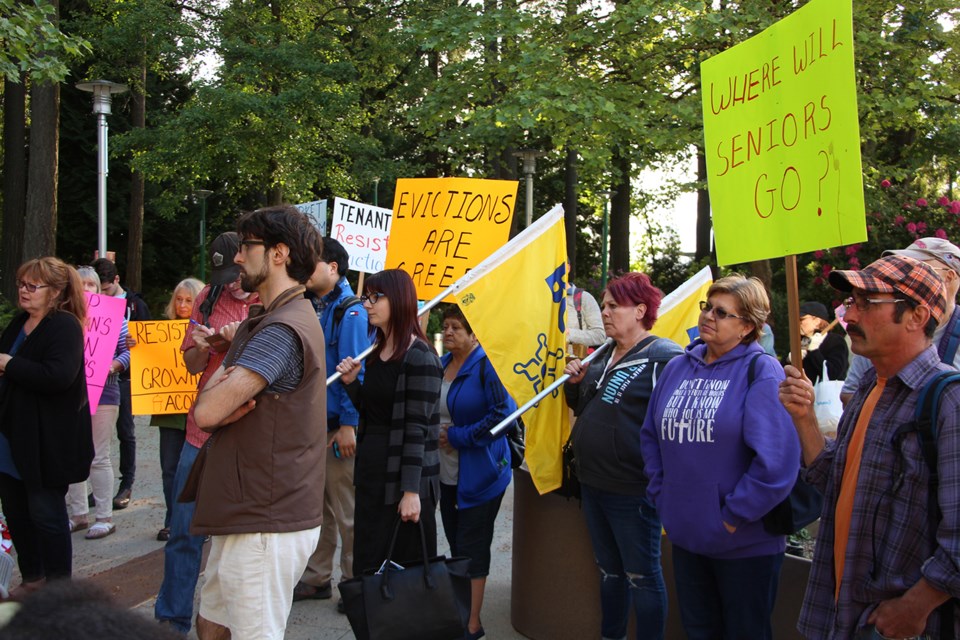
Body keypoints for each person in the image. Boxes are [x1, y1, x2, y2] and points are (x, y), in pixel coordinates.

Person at [779, 255, 960, 639]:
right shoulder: (868, 389)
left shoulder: (948, 400)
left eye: (866, 304)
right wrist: (804, 418)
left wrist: (914, 607)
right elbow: (835, 483)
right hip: (844, 614)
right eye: (851, 304)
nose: (849, 317)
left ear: (916, 315)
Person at [190, 205, 326, 640]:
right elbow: (211, 403)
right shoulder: (266, 321)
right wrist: (220, 393)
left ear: (278, 254)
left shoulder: (281, 330)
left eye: (246, 246)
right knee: (212, 625)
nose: (237, 256)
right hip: (246, 508)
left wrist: (218, 394)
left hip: (266, 518)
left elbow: (206, 412)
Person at [640, 274, 800, 640]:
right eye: (707, 307)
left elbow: (775, 462)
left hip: (744, 544)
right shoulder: (678, 367)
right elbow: (651, 435)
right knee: (698, 631)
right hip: (687, 534)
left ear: (746, 327)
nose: (709, 316)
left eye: (722, 312)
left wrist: (731, 517)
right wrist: (664, 498)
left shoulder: (761, 371)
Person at [562, 272, 682, 640]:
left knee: (642, 577)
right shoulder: (602, 355)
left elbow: (673, 425)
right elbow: (583, 408)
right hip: (594, 484)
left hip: (633, 490)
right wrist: (574, 386)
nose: (606, 311)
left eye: (614, 305)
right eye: (606, 303)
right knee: (609, 573)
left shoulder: (665, 357)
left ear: (641, 310)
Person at [154, 233, 259, 634]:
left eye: (235, 273)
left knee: (239, 542)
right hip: (200, 435)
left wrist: (239, 340)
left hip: (246, 434)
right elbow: (194, 366)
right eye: (222, 275)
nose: (231, 282)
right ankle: (171, 619)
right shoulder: (208, 298)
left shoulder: (269, 300)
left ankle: (233, 623)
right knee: (183, 533)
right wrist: (202, 346)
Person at [336, 269, 443, 577]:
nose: (367, 304)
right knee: (369, 566)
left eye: (375, 297)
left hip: (401, 482)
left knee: (402, 578)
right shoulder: (375, 352)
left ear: (398, 300)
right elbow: (375, 413)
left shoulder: (420, 356)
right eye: (366, 297)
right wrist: (352, 384)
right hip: (372, 475)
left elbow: (416, 429)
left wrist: (411, 492)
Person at [0, 258, 93, 595]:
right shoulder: (19, 323)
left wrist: (10, 365)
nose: (23, 291)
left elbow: (58, 376)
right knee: (16, 512)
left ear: (54, 292)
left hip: (46, 440)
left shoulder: (64, 326)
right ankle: (33, 577)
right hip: (12, 435)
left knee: (46, 515)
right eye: (21, 284)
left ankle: (58, 589)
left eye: (32, 286)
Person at [293, 238, 372, 611]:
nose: (305, 270)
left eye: (313, 263)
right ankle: (316, 577)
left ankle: (353, 583)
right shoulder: (314, 305)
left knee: (346, 510)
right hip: (314, 426)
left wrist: (348, 425)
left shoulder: (349, 311)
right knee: (318, 508)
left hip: (335, 427)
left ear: (334, 268)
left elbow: (352, 371)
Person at [438, 305, 516, 640]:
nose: (450, 332)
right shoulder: (441, 365)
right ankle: (459, 612)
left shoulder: (488, 367)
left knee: (473, 546)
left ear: (474, 334)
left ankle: (472, 624)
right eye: (447, 326)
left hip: (481, 473)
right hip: (446, 474)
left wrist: (458, 437)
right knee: (457, 544)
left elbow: (504, 415)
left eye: (457, 327)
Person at [841, 237, 960, 406]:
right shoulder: (876, 336)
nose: (908, 272)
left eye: (922, 267)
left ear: (949, 277)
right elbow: (850, 393)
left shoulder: (952, 397)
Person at [64, 267, 131, 541]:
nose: (86, 289)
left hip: (104, 393)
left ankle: (104, 516)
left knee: (98, 455)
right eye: (81, 284)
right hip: (69, 394)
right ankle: (78, 514)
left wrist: (112, 366)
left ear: (99, 288)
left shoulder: (113, 316)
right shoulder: (64, 318)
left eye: (91, 284)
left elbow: (127, 352)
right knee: (72, 453)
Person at [91, 257, 151, 511]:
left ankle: (126, 484)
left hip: (125, 379)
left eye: (105, 289)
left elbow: (149, 339)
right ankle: (99, 489)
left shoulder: (135, 306)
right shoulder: (89, 307)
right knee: (95, 442)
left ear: (116, 281)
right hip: (95, 382)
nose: (102, 293)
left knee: (125, 432)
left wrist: (134, 346)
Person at [151, 277, 204, 542]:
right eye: (179, 299)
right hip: (169, 412)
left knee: (196, 469)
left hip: (198, 412)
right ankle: (172, 520)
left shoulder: (205, 330)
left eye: (188, 300)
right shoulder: (159, 331)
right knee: (169, 468)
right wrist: (135, 350)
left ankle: (197, 523)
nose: (182, 305)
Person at [796, 301, 849, 384]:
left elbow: (833, 374)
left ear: (817, 321)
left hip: (827, 395)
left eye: (801, 319)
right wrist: (789, 360)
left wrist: (814, 351)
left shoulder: (835, 341)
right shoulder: (804, 341)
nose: (797, 323)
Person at [566, 282, 605, 358]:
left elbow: (600, 335)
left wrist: (568, 333)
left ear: (568, 269)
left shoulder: (583, 297)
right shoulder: (541, 298)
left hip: (573, 364)